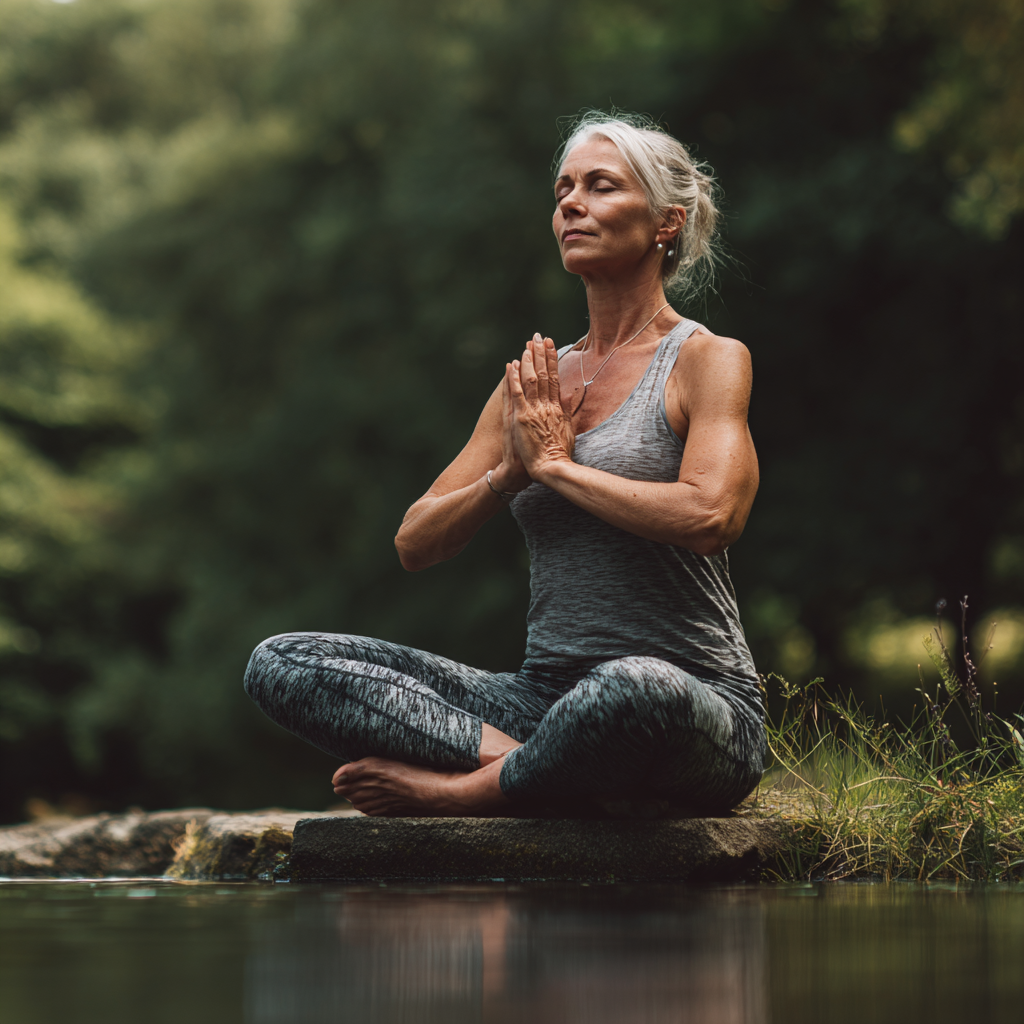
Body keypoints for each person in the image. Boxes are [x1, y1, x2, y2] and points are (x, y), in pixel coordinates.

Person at [244, 112, 765, 817]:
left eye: (600, 186)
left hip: (692, 706)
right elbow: (416, 541)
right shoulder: (533, 383)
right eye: (563, 191)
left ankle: (465, 793)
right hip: (540, 701)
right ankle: (539, 769)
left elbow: (712, 515)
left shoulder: (706, 359)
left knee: (633, 686)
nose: (570, 205)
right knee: (282, 662)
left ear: (666, 223)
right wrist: (508, 475)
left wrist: (556, 470)